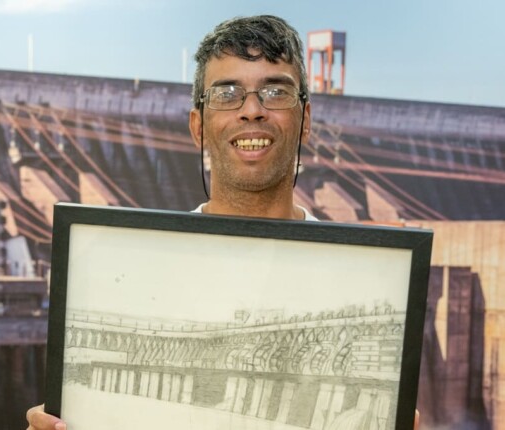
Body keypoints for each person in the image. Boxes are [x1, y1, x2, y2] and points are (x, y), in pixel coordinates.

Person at [27, 14, 417, 430]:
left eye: (275, 91)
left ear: (306, 120)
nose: (252, 110)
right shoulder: (133, 269)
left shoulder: (366, 276)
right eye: (227, 93)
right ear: (198, 126)